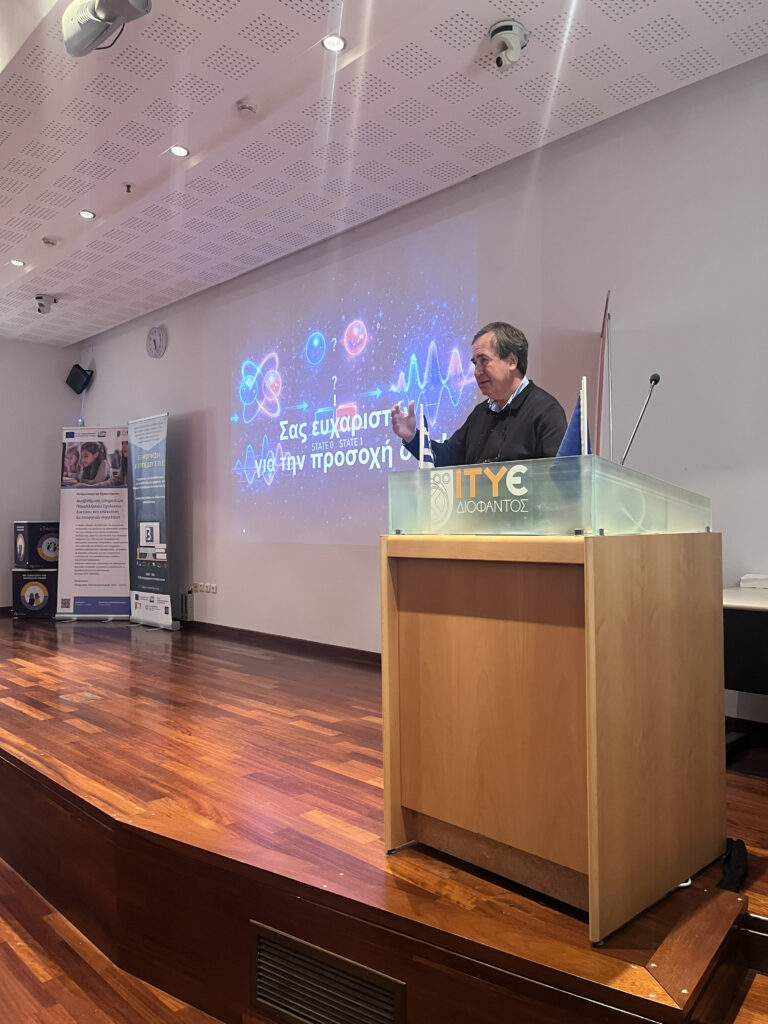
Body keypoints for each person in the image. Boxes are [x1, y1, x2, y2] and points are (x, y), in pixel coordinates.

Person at [391, 321, 567, 466]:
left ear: (512, 362)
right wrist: (412, 436)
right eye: (475, 363)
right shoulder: (480, 414)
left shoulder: (545, 411)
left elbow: (560, 477)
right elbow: (447, 458)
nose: (476, 372)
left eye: (484, 361)